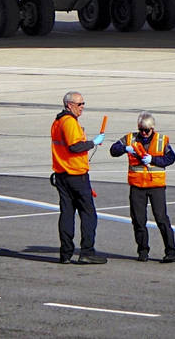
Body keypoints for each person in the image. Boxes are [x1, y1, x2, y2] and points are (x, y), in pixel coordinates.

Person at [110, 112, 175, 262]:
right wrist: (125, 148)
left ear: (152, 128)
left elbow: (171, 158)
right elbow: (113, 150)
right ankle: (142, 250)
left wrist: (153, 159)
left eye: (147, 130)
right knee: (138, 220)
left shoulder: (161, 140)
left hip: (156, 186)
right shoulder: (130, 138)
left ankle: (171, 250)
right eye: (141, 130)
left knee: (161, 218)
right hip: (137, 185)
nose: (144, 133)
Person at [49, 91, 106, 264]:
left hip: (62, 175)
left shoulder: (57, 122)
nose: (82, 107)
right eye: (79, 104)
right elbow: (75, 147)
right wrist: (93, 143)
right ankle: (87, 252)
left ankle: (65, 253)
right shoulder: (69, 122)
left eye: (83, 104)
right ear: (69, 105)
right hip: (76, 176)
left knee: (67, 214)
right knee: (88, 214)